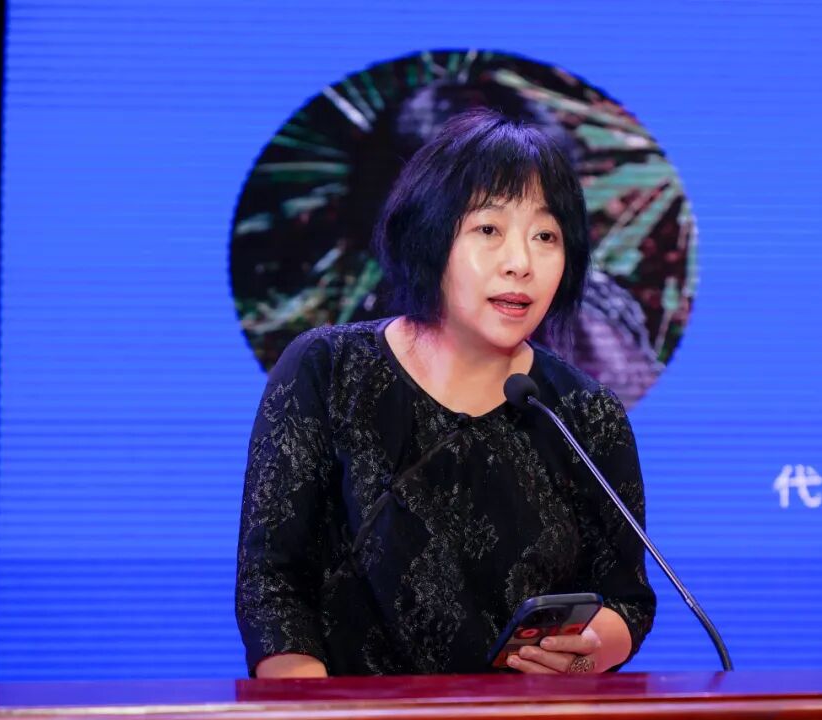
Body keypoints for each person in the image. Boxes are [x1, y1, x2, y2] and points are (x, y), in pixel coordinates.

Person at [236, 108, 656, 678]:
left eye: (546, 236)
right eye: (489, 230)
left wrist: (593, 647)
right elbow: (272, 585)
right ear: (431, 236)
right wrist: (312, 705)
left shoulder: (585, 414)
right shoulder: (327, 370)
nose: (520, 264)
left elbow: (627, 599)